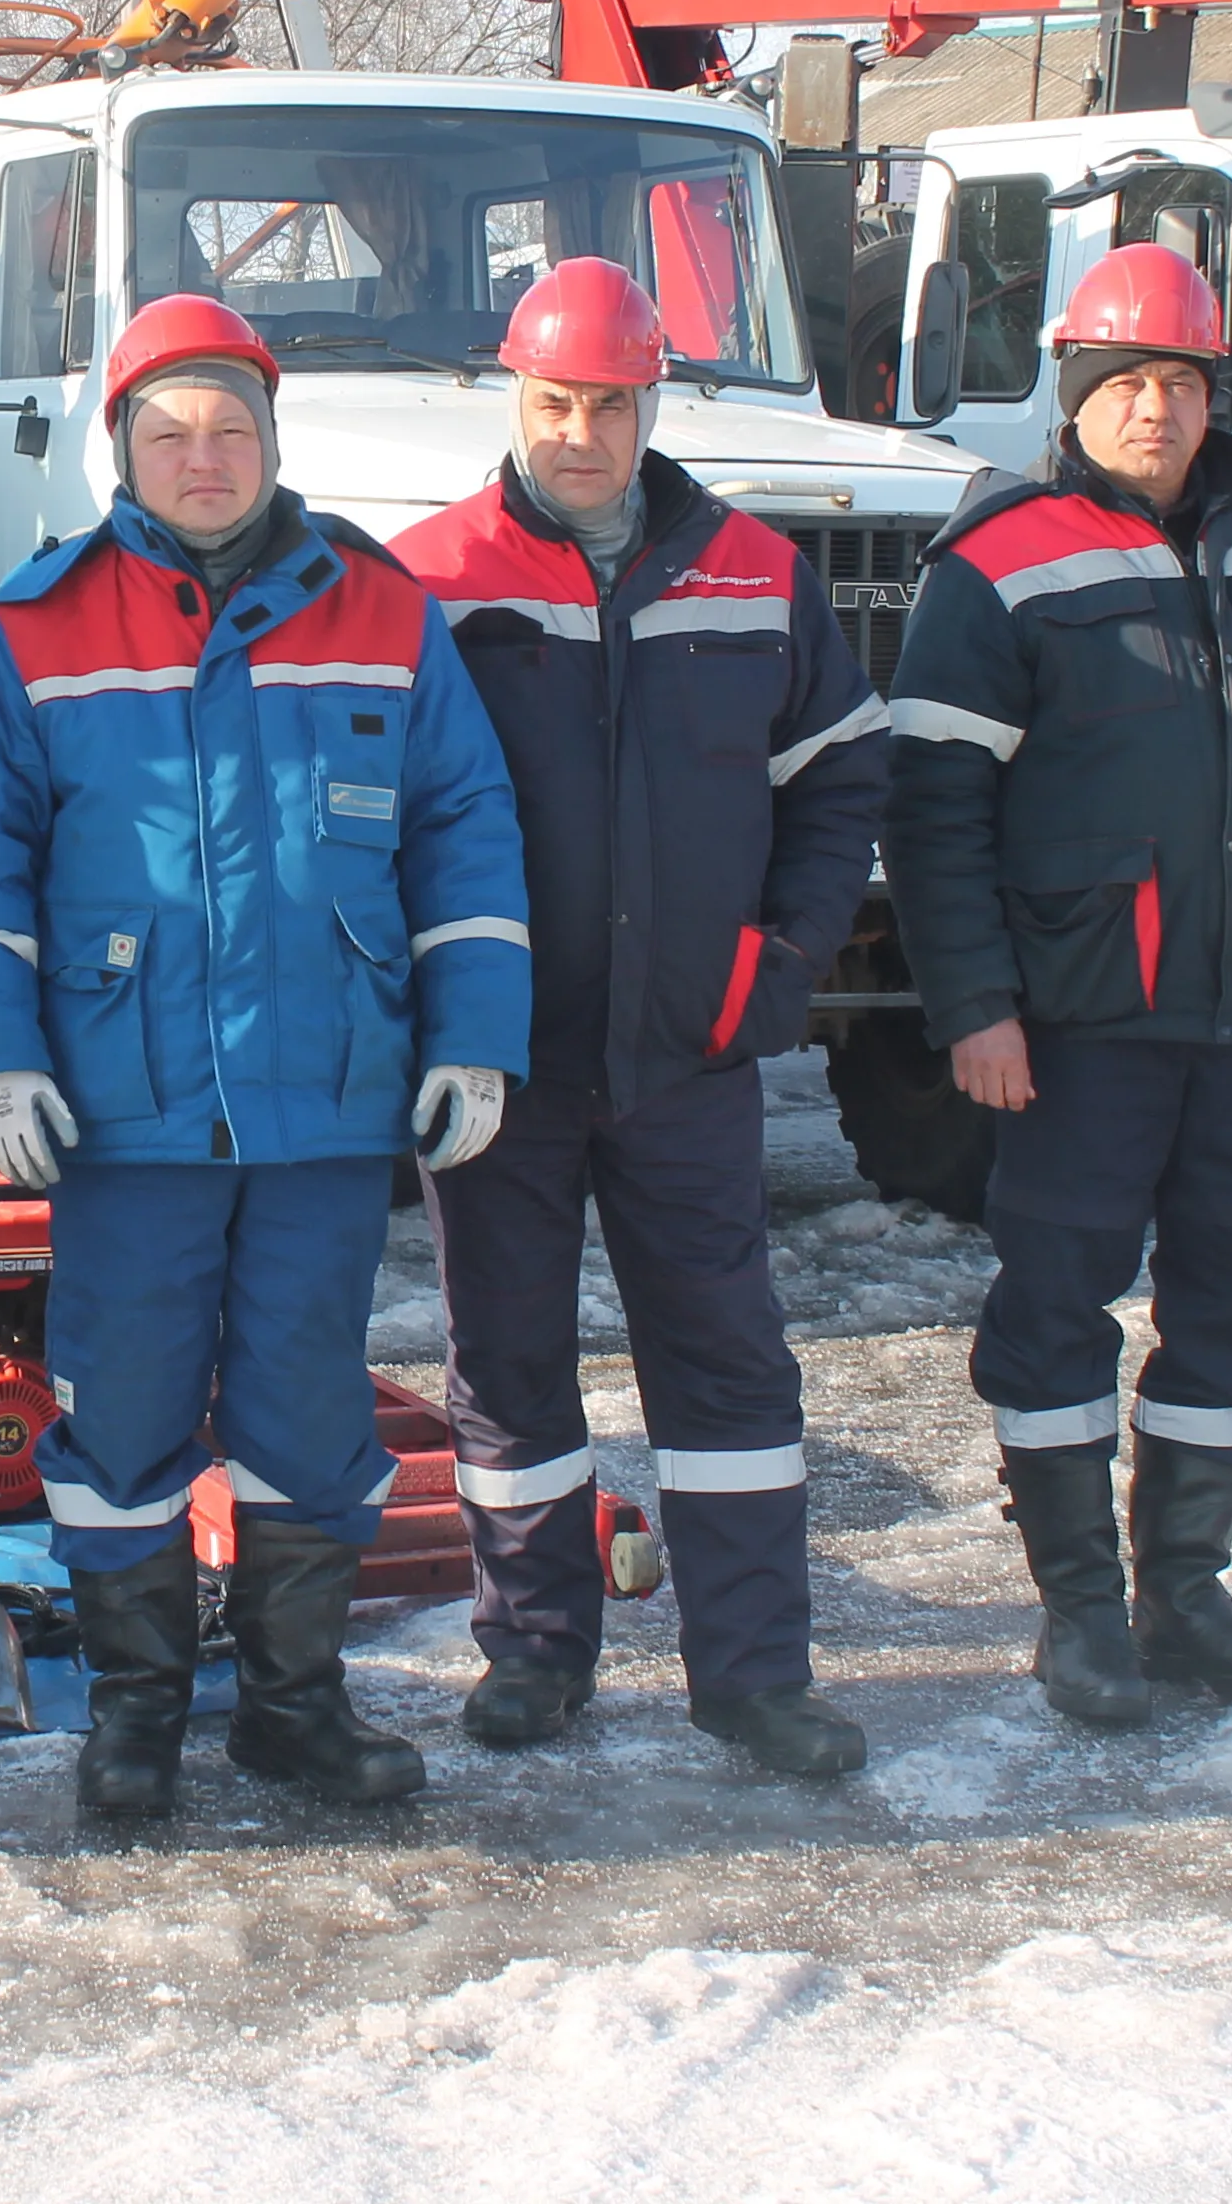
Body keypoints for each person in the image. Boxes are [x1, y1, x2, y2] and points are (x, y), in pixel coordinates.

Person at [0, 291, 531, 1817]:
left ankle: (292, 1706)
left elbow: (465, 833)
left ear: (274, 441)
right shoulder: (33, 628)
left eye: (232, 429)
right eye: (170, 431)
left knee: (309, 1419)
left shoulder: (384, 614)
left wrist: (476, 1040)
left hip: (324, 1109)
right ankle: (138, 1716)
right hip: (123, 1116)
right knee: (119, 1416)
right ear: (121, 446)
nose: (206, 458)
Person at [882, 245, 1232, 1726]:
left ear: (1211, 394)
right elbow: (933, 811)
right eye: (1126, 387)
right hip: (1082, 1024)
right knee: (1057, 1306)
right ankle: (1079, 1611)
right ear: (1077, 392)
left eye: (1178, 384)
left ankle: (1187, 1590)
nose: (1155, 413)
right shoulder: (999, 562)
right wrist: (974, 1005)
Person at [390, 259, 889, 1774]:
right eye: (555, 400)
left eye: (610, 402)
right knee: (513, 1360)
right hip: (509, 1062)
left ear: (651, 403)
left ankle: (754, 1673)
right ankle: (535, 1651)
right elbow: (386, 815)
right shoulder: (432, 578)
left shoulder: (752, 573)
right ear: (513, 396)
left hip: (689, 1053)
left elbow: (839, 778)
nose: (581, 432)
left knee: (728, 1361)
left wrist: (778, 966)